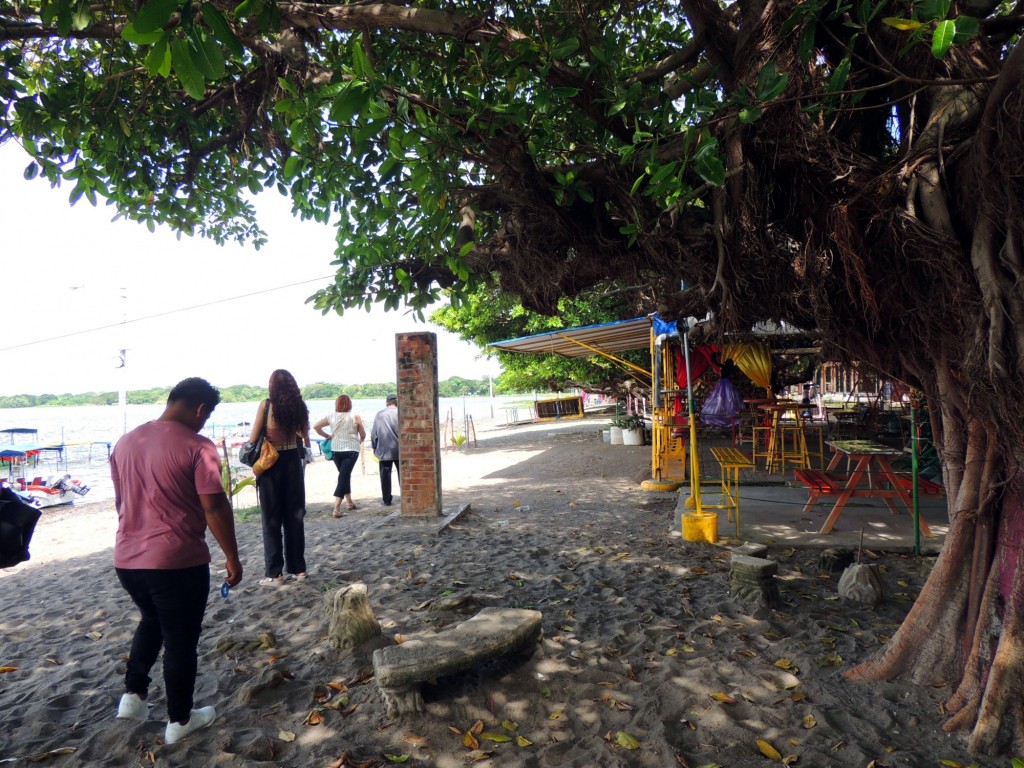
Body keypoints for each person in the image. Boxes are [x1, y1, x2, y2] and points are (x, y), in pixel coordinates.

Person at [111, 377, 242, 745]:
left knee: (151, 620)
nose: (204, 422)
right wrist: (232, 556)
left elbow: (122, 502)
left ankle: (133, 697)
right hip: (176, 561)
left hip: (127, 559)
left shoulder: (125, 442)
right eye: (207, 415)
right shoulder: (198, 446)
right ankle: (180, 719)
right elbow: (214, 505)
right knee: (181, 641)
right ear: (200, 409)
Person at [249, 369, 312, 586]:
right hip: (293, 460)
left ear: (272, 386)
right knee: (294, 517)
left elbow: (253, 438)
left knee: (272, 518)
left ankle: (275, 573)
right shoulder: (299, 406)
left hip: (271, 463)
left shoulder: (266, 406)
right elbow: (305, 436)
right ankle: (299, 569)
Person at [312, 394, 366, 518]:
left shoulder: (331, 416)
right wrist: (359, 441)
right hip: (351, 450)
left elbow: (316, 426)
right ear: (349, 404)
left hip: (336, 450)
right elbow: (363, 434)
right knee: (343, 476)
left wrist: (327, 436)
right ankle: (336, 509)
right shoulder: (355, 416)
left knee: (344, 475)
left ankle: (349, 502)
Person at [370, 394, 400, 506]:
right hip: (400, 449)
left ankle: (387, 500)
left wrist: (374, 446)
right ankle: (406, 496)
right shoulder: (401, 413)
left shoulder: (379, 414)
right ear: (396, 402)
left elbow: (374, 433)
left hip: (384, 449)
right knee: (402, 474)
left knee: (385, 475)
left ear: (387, 402)